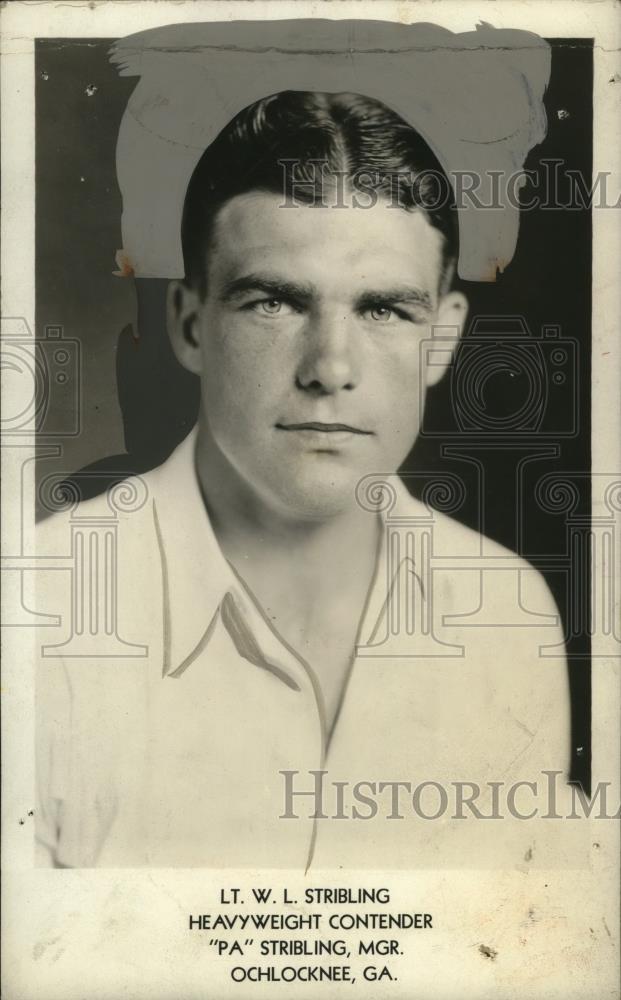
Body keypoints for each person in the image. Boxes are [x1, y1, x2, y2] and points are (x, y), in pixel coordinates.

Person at [35, 91, 570, 869]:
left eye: (384, 309)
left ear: (445, 336)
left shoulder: (508, 616)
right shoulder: (42, 619)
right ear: (191, 325)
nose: (330, 369)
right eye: (274, 301)